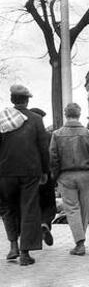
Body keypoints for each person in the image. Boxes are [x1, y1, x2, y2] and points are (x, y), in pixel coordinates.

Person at [0, 85, 49, 266]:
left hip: (5, 172)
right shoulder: (36, 119)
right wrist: (45, 171)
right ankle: (25, 253)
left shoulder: (3, 118)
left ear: (12, 100)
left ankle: (13, 245)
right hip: (30, 171)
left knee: (7, 208)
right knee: (29, 209)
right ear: (27, 100)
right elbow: (43, 148)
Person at [49, 103, 89, 256]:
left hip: (65, 176)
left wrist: (55, 176)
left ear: (66, 114)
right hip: (86, 175)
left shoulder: (57, 134)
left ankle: (79, 242)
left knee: (72, 209)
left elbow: (53, 158)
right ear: (79, 115)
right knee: (85, 209)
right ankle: (81, 240)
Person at [29, 107, 57, 246]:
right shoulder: (48, 136)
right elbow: (52, 155)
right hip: (46, 175)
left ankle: (35, 231)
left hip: (28, 176)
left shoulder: (23, 135)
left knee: (32, 204)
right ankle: (45, 223)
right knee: (50, 204)